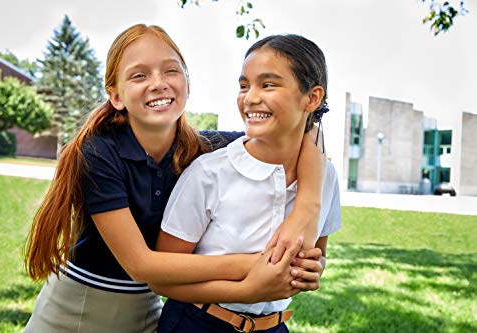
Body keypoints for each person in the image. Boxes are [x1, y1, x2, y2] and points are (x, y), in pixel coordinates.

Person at [23, 24, 328, 333]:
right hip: (79, 308)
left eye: (171, 71)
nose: (158, 84)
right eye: (139, 75)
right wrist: (264, 267)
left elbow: (303, 132)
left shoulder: (201, 148)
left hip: (147, 309)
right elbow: (141, 265)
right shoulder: (99, 153)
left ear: (187, 83)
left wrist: (307, 208)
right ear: (116, 96)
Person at [153, 34, 341, 333]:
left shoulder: (325, 178)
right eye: (244, 85)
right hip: (198, 323)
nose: (250, 97)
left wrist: (312, 270)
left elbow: (318, 255)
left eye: (268, 84)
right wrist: (248, 287)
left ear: (312, 98)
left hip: (273, 327)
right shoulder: (209, 174)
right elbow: (162, 277)